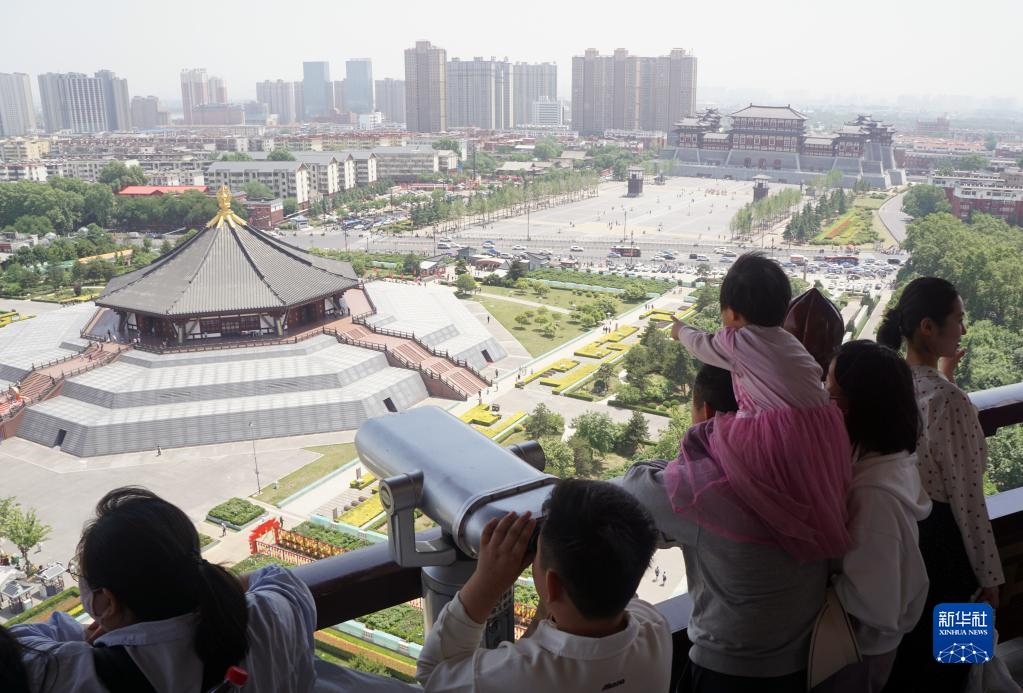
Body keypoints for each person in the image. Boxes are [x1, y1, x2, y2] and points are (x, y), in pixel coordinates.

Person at [10, 487, 410, 693]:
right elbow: (276, 577)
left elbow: (23, 643)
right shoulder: (267, 618)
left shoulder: (75, 675)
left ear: (106, 601)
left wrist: (91, 635)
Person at [617, 365, 826, 693]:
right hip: (807, 659)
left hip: (730, 669)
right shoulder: (806, 463)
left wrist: (683, 466)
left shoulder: (704, 487)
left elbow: (629, 490)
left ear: (708, 413)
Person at [668, 251, 851, 562]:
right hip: (822, 432)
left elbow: (703, 345)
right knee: (806, 492)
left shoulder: (739, 340)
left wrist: (680, 330)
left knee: (707, 444)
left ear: (733, 314)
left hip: (777, 433)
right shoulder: (790, 342)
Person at [416, 479, 671, 692]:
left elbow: (433, 673)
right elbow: (615, 574)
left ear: (553, 584)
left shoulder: (508, 677)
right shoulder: (655, 629)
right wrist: (555, 586)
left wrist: (487, 582)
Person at [877, 277, 1005, 693]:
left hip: (901, 541)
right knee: (958, 666)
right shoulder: (949, 402)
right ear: (928, 327)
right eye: (958, 319)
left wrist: (947, 378)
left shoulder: (890, 386)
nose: (963, 329)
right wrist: (989, 577)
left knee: (907, 664)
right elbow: (969, 500)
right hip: (948, 551)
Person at [817, 340, 931, 693]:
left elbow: (873, 602)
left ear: (858, 406)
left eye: (831, 393)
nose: (824, 401)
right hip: (864, 644)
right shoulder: (888, 460)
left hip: (857, 648)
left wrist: (814, 582)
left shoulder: (874, 496)